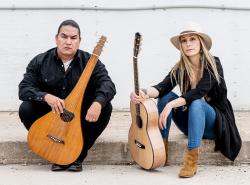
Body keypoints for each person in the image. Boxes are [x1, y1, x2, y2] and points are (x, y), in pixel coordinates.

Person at [130, 22, 241, 178]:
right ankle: (161, 149)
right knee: (165, 96)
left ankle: (191, 160)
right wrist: (141, 92)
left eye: (193, 39)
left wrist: (171, 106)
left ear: (201, 42)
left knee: (196, 103)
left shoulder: (213, 63)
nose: (188, 44)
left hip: (213, 124)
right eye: (184, 40)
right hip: (189, 123)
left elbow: (199, 92)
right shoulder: (180, 67)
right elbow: (162, 87)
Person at [18, 19, 116, 172]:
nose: (68, 42)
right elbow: (24, 88)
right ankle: (51, 147)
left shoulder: (90, 61)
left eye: (73, 38)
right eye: (64, 37)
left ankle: (78, 156)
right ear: (56, 38)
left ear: (79, 41)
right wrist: (45, 97)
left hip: (79, 117)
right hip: (51, 113)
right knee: (26, 108)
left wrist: (98, 103)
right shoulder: (40, 61)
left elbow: (108, 84)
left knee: (105, 107)